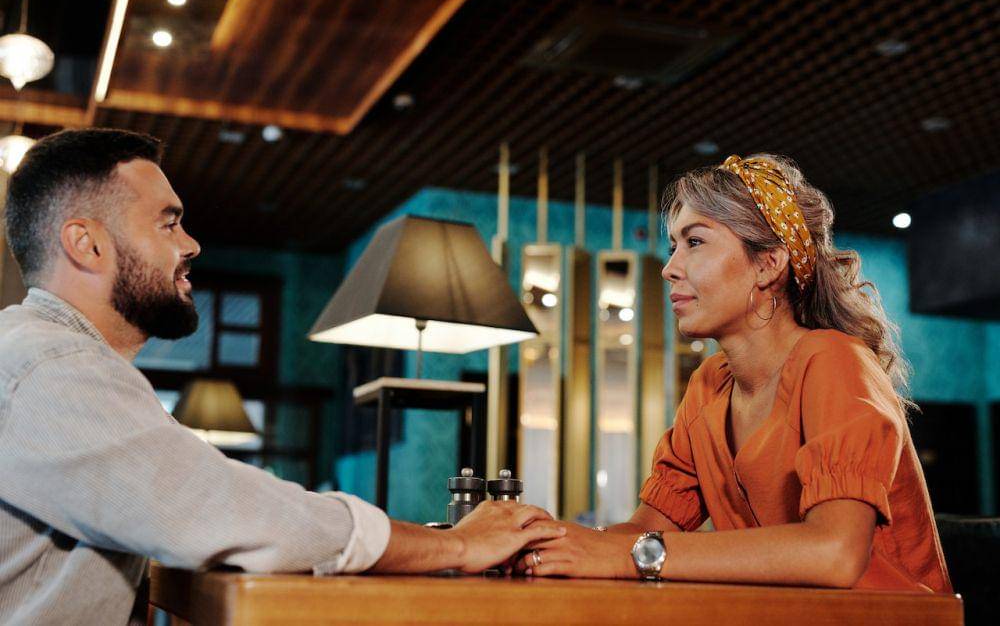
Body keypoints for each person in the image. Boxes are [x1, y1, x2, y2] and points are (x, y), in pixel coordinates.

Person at [0, 128, 564, 625]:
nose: (190, 244)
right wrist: (460, 545)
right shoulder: (50, 367)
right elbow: (217, 508)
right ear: (87, 244)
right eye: (168, 223)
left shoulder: (46, 359)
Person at [517, 154, 952, 593]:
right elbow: (642, 530)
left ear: (768, 264)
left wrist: (632, 555)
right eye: (673, 247)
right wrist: (535, 542)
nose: (669, 269)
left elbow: (834, 553)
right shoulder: (709, 385)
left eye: (695, 242)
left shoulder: (835, 361)